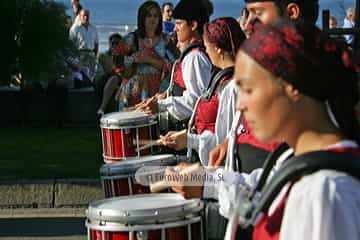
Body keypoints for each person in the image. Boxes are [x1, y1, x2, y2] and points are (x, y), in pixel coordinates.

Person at [223, 19, 360, 240]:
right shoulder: (294, 158)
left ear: (291, 87)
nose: (239, 105)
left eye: (248, 89)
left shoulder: (325, 194)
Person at [209, 0, 320, 168]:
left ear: (291, 14)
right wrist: (231, 142)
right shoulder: (270, 72)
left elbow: (289, 178)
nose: (247, 24)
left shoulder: (309, 94)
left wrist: (211, 185)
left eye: (257, 13)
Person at [160, 17, 246, 166]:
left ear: (218, 48)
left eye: (207, 47)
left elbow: (228, 144)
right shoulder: (224, 78)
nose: (205, 51)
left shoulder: (233, 87)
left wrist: (190, 141)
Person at [139, 0, 212, 131]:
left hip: (187, 136)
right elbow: (185, 90)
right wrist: (165, 95)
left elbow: (197, 103)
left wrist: (161, 105)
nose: (175, 28)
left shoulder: (195, 58)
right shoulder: (191, 55)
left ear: (193, 25)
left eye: (179, 23)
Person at [117, 1, 176, 108]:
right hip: (132, 92)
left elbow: (176, 67)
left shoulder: (166, 41)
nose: (153, 19)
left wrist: (149, 60)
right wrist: (132, 60)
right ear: (142, 18)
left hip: (158, 93)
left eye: (155, 16)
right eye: (149, 16)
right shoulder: (131, 39)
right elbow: (116, 61)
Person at [96, 33, 123, 115]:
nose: (114, 45)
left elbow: (124, 73)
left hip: (117, 79)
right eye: (112, 43)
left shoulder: (123, 56)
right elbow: (107, 71)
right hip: (103, 78)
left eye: (117, 43)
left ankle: (102, 109)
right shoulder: (104, 55)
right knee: (113, 78)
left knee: (114, 79)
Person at [69, 9, 99, 83]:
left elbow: (96, 44)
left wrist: (95, 56)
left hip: (91, 54)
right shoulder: (75, 29)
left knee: (91, 75)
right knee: (80, 75)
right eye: (84, 15)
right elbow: (70, 44)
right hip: (80, 54)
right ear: (80, 16)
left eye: (87, 16)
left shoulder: (93, 28)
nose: (86, 17)